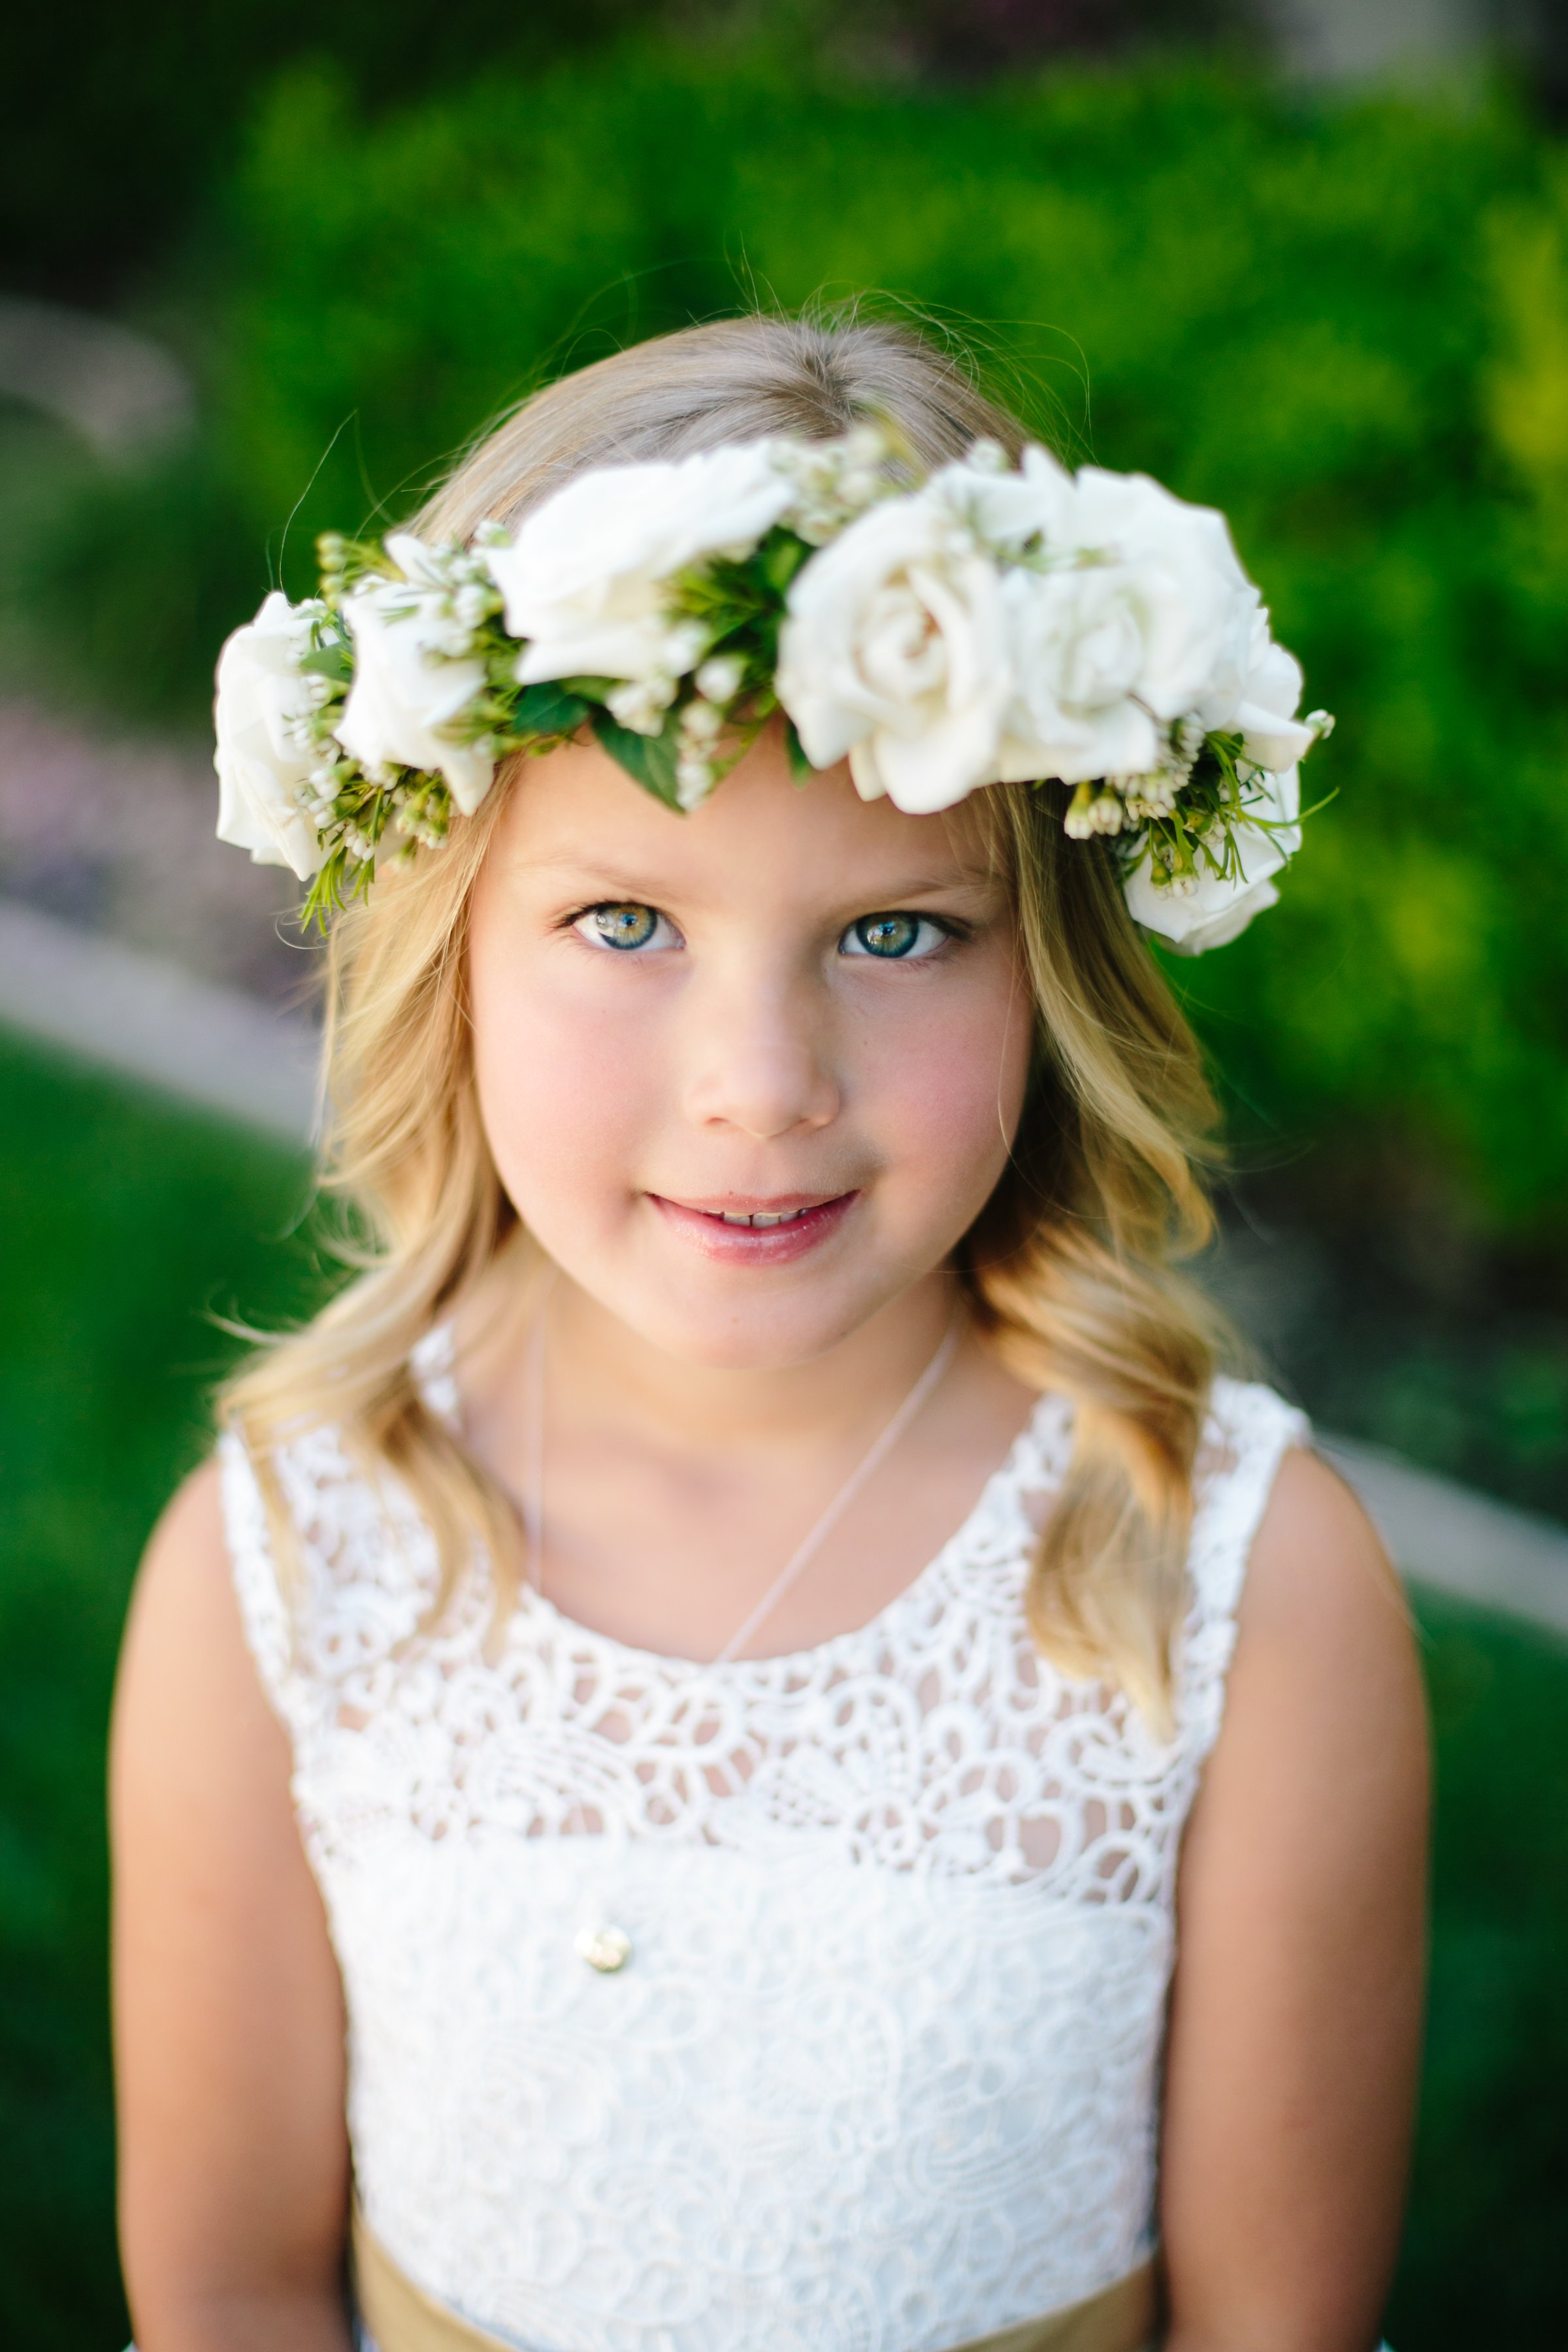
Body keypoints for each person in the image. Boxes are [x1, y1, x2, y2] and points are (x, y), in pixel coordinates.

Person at [110, 313, 1428, 2352]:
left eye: (894, 932)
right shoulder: (290, 1563)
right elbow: (225, 2290)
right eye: (625, 924)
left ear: (1053, 966)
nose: (760, 1081)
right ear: (448, 943)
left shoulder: (1246, 1596)